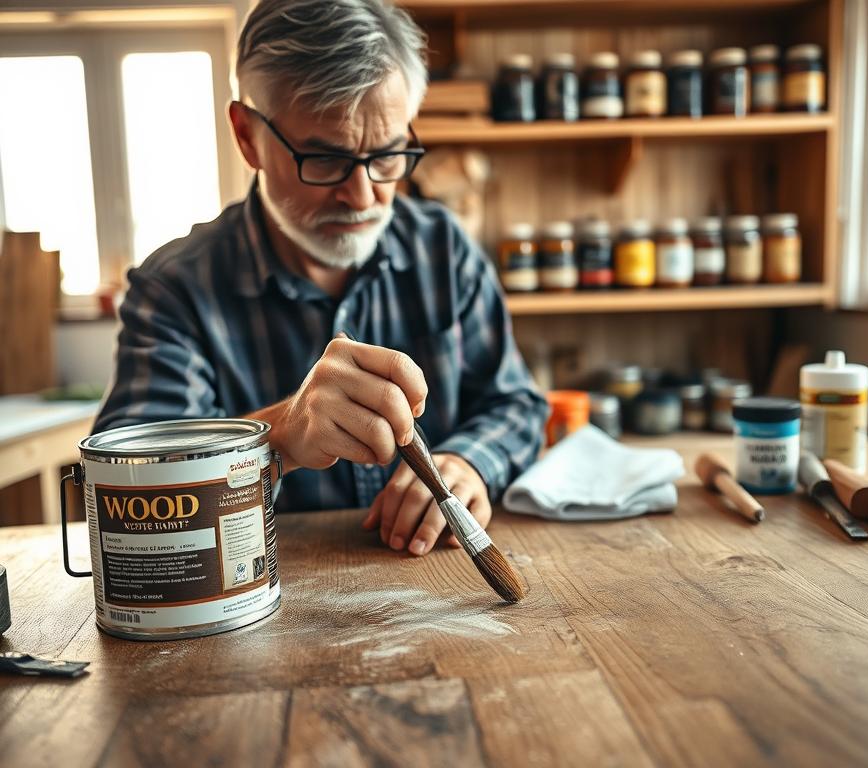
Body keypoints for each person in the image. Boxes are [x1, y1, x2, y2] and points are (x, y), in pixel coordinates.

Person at [93, 0, 547, 557]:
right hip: (255, 603)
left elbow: (518, 405)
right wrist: (279, 434)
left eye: (386, 157)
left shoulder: (443, 251)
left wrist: (471, 460)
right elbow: (124, 486)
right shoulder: (175, 289)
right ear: (247, 136)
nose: (361, 196)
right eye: (323, 160)